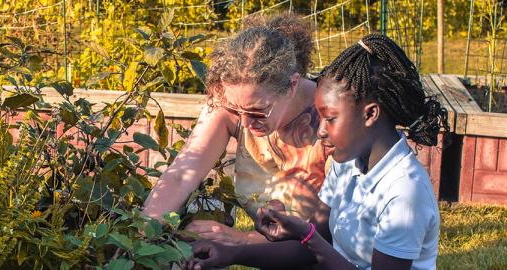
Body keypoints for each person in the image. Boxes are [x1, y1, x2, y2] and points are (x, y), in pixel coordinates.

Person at [186, 34, 449, 270]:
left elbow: (315, 245)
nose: (320, 131)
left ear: (370, 114)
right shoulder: (346, 164)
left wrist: (308, 236)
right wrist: (232, 254)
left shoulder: (404, 193)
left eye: (330, 119)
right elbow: (311, 251)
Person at [142, 13, 331, 245]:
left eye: (258, 111)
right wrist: (141, 238)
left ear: (292, 85)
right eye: (236, 109)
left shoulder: (330, 116)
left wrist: (243, 241)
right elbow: (182, 175)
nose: (244, 123)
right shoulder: (233, 102)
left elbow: (336, 227)